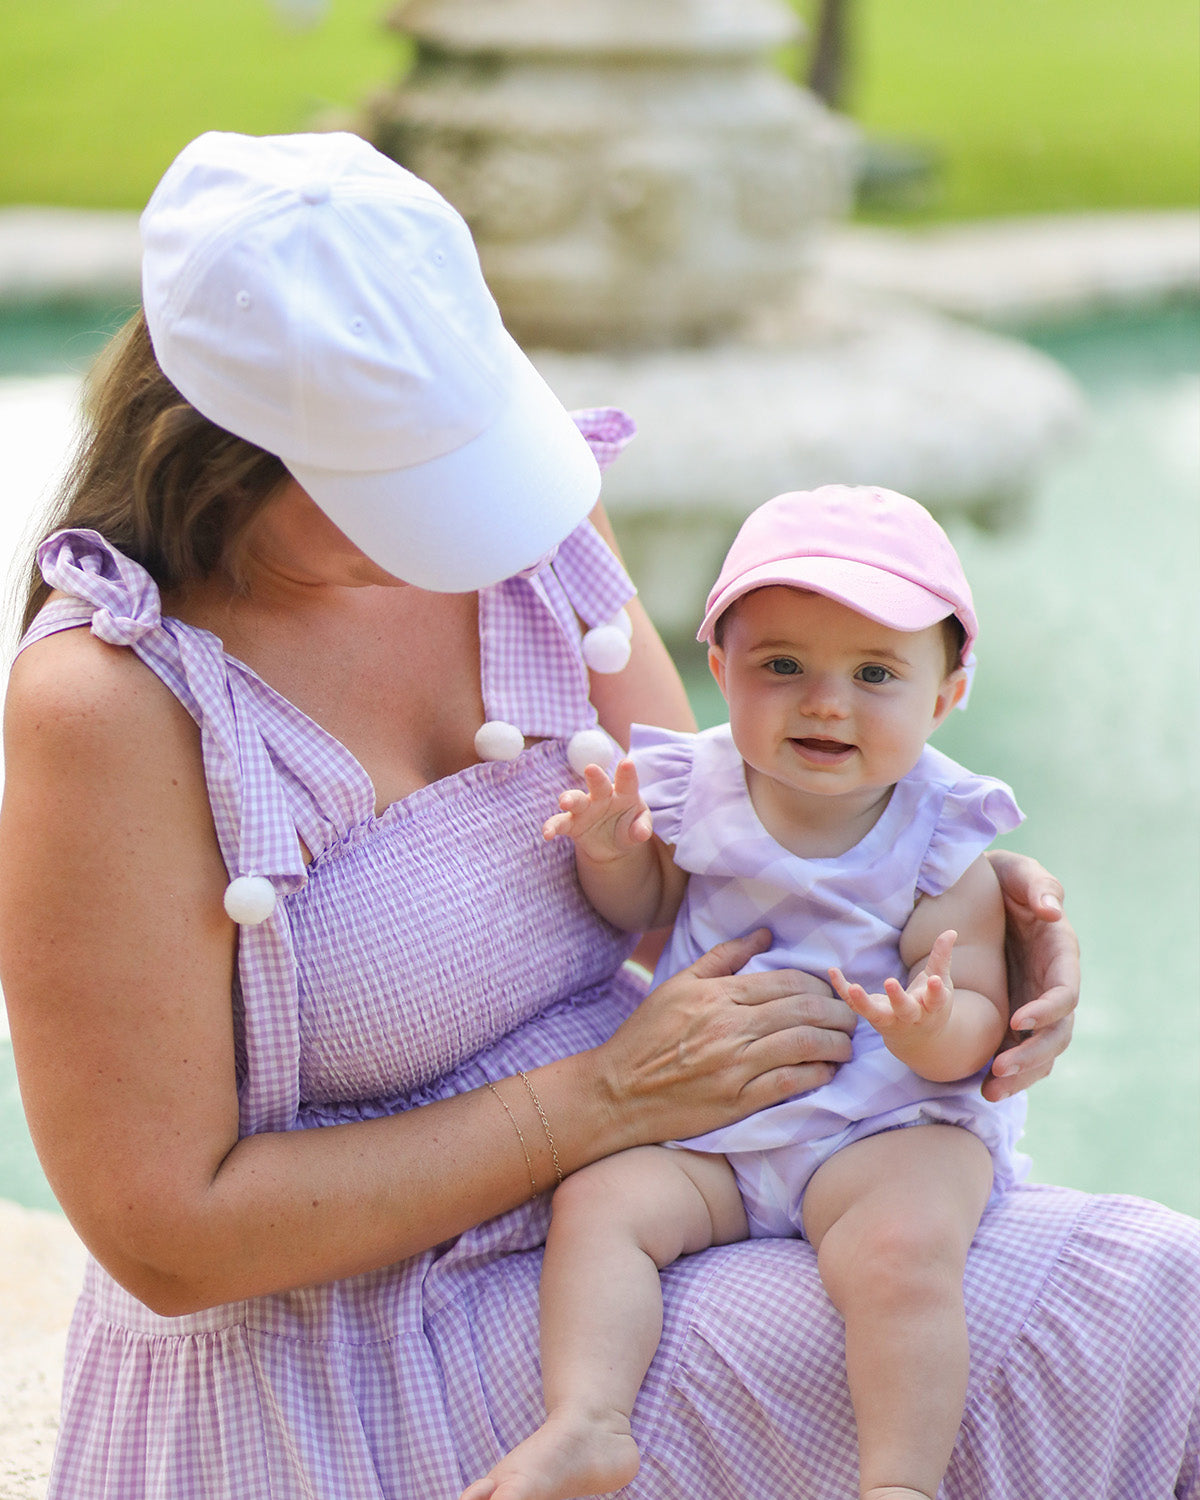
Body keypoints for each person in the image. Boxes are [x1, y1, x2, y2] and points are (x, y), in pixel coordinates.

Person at [0, 130, 1193, 1500]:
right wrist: (605, 1100)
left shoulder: (525, 513)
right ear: (229, 448)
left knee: (1152, 1295)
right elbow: (165, 1238)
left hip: (688, 1184)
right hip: (357, 1334)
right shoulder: (117, 703)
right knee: (1100, 1330)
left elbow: (727, 825)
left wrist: (953, 897)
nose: (455, 524)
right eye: (400, 480)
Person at [467, 486, 1031, 1500]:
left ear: (944, 697)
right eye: (783, 667)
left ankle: (897, 1481)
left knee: (905, 1254)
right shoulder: (699, 784)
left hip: (883, 1126)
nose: (826, 702)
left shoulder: (941, 834)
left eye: (875, 675)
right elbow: (647, 907)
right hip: (712, 1130)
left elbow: (980, 1020)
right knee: (600, 1204)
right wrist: (610, 853)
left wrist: (930, 1024)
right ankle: (588, 1422)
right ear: (719, 669)